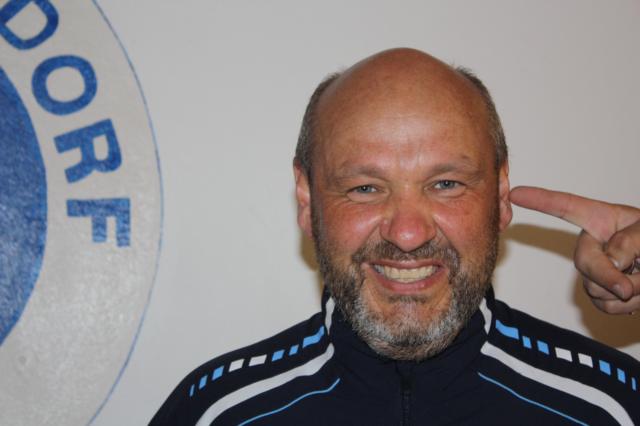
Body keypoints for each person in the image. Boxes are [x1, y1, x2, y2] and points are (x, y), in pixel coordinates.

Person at [151, 48, 640, 425]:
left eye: (446, 184)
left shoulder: (613, 406)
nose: (407, 234)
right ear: (307, 199)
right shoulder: (215, 412)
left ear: (499, 193)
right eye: (365, 188)